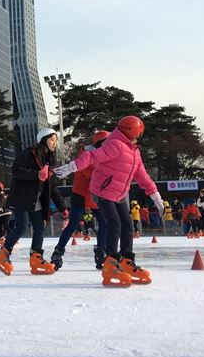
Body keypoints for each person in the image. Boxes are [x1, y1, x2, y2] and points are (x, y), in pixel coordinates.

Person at [54, 116, 165, 287]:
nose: (140, 136)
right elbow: (91, 157)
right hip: (102, 190)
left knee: (127, 224)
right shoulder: (115, 145)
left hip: (119, 193)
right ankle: (111, 262)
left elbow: (143, 177)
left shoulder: (134, 151)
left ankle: (127, 260)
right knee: (115, 224)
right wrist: (71, 167)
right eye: (140, 132)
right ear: (133, 132)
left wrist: (156, 197)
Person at [0, 127, 65, 276]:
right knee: (21, 227)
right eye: (52, 139)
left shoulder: (50, 161)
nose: (54, 143)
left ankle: (36, 258)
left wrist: (62, 207)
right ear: (43, 140)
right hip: (21, 197)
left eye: (56, 140)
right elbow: (16, 170)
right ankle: (3, 255)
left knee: (40, 228)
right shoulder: (29, 153)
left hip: (36, 200)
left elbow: (52, 187)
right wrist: (37, 174)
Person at [50, 130, 110, 271]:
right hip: (82, 193)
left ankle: (101, 252)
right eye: (107, 142)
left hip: (95, 194)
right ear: (100, 143)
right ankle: (58, 252)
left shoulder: (105, 154)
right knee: (73, 224)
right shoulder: (86, 154)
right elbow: (94, 175)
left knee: (104, 222)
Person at [0, 182, 12, 247]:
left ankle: (13, 238)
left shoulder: (2, 195)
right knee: (0, 225)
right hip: (2, 213)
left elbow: (0, 204)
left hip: (6, 213)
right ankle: (1, 238)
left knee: (5, 225)